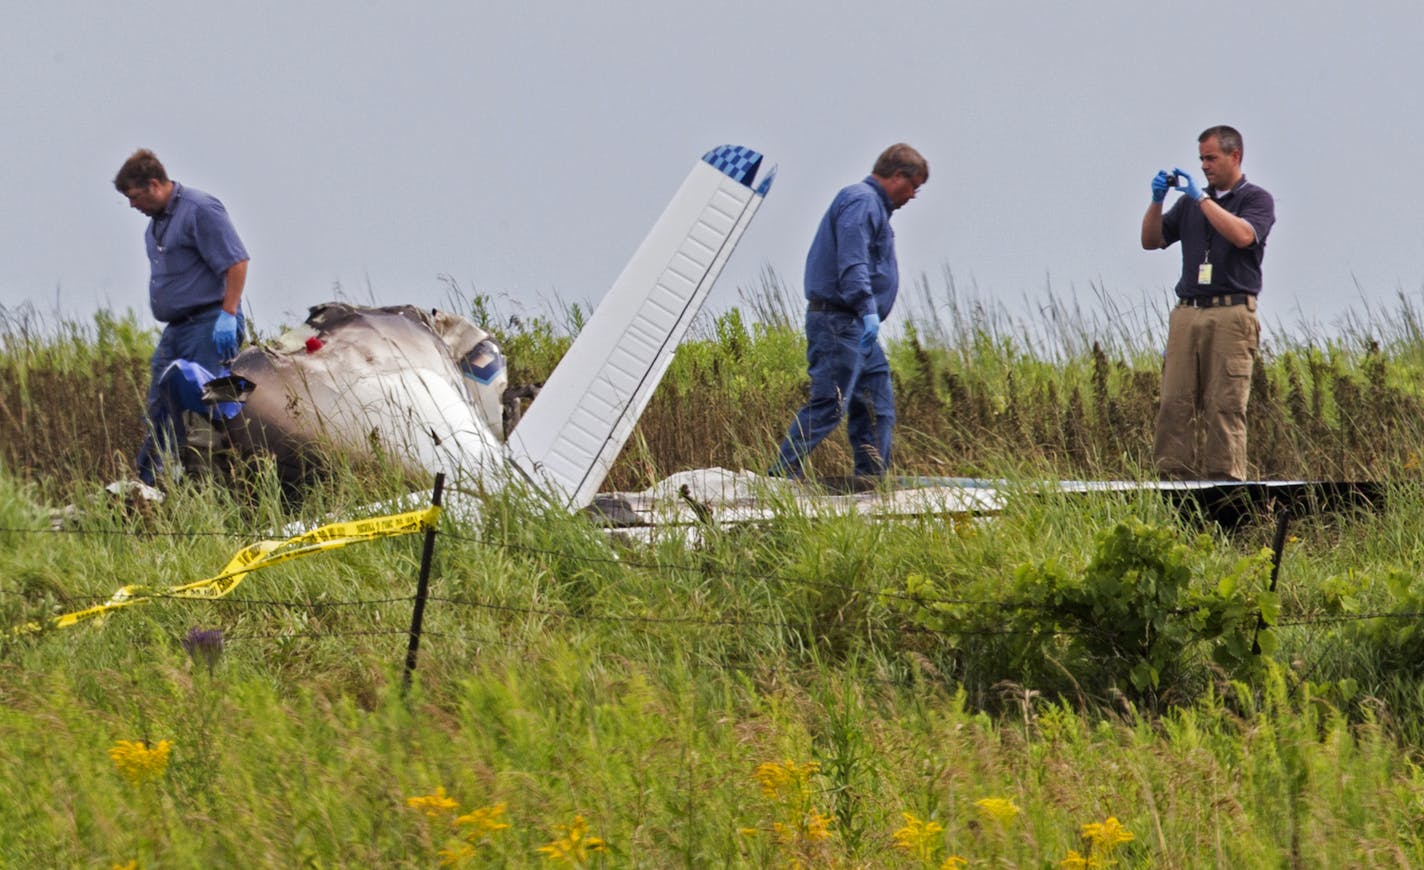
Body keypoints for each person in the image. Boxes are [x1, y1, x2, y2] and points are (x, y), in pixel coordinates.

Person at [769, 143, 928, 483]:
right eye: (913, 185)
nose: (914, 195)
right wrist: (867, 309)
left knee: (875, 402)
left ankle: (870, 478)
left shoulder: (872, 206)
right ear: (897, 176)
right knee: (830, 401)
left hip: (856, 325)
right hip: (840, 320)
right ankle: (780, 477)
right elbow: (853, 263)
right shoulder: (862, 201)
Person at [1141, 125, 1275, 481]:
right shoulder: (1189, 204)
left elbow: (1244, 235)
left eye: (1211, 157)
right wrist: (1157, 201)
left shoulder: (1255, 199)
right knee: (1175, 402)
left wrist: (1203, 200)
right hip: (1189, 311)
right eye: (1201, 158)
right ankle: (1170, 477)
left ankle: (1224, 480)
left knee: (1224, 404)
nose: (1204, 165)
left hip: (1231, 313)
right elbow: (1151, 240)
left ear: (1235, 156)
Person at [114, 149, 250, 484]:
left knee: (212, 403)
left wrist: (228, 315)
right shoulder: (156, 226)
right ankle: (151, 485)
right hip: (177, 330)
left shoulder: (200, 210)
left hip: (210, 324)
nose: (131, 205)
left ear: (155, 184)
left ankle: (223, 481)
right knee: (161, 404)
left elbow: (237, 262)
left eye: (134, 197)